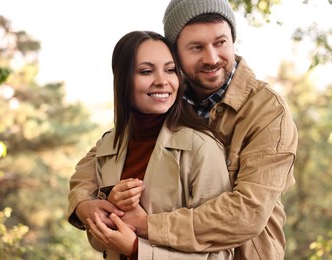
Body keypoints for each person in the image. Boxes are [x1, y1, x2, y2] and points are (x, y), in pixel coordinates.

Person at [67, 0, 299, 259]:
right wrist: (84, 204)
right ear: (175, 52)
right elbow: (96, 161)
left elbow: (248, 213)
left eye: (221, 43)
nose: (212, 58)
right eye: (196, 47)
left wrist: (145, 226)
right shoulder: (166, 95)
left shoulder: (267, 110)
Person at [71, 30, 234, 259]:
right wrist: (109, 208)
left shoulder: (202, 147)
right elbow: (97, 237)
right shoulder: (108, 145)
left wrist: (137, 250)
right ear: (123, 80)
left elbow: (220, 252)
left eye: (170, 70)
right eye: (146, 71)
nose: (162, 81)